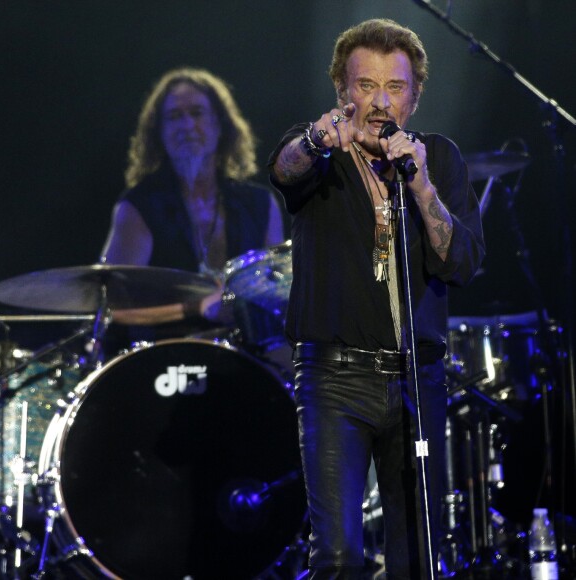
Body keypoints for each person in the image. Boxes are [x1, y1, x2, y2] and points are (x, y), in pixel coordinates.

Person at [268, 18, 485, 579]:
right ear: (342, 90)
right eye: (366, 86)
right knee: (339, 556)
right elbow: (283, 168)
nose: (381, 101)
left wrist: (421, 185)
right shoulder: (322, 156)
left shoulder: (438, 158)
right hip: (335, 380)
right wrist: (317, 139)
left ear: (415, 96)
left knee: (420, 557)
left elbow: (461, 261)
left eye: (395, 87)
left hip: (419, 381)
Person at [101, 67, 285, 348]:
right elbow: (114, 309)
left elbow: (275, 294)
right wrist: (196, 309)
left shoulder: (259, 205)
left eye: (197, 113)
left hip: (245, 359)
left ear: (220, 125)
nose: (187, 126)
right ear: (159, 134)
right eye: (175, 117)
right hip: (163, 360)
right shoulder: (138, 207)